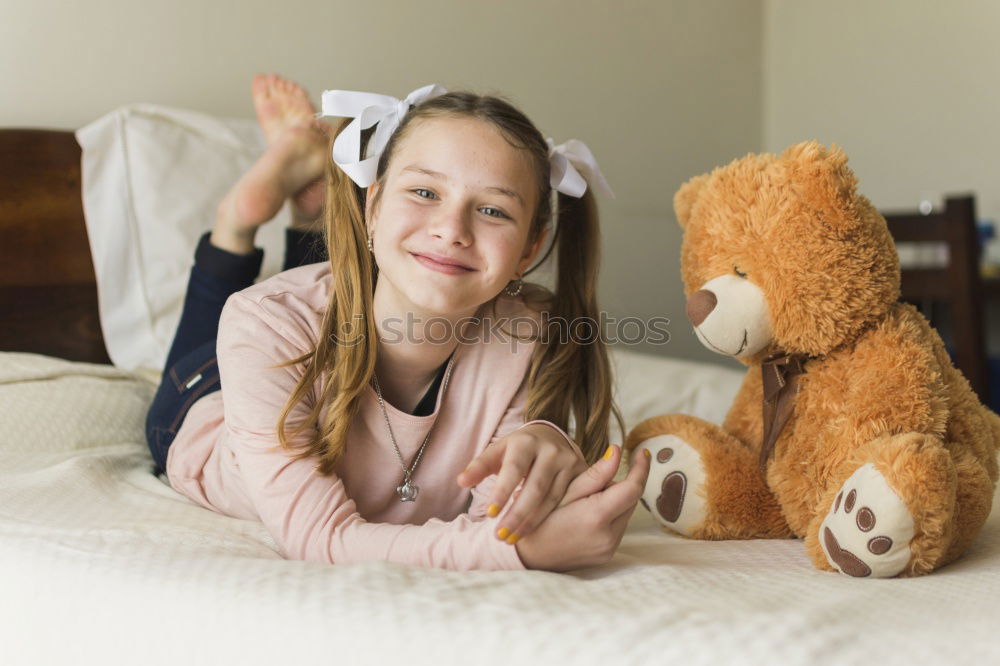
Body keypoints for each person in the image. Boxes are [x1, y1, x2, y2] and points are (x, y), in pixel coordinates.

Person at [144, 73, 651, 572]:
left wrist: (543, 443)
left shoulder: (531, 333)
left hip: (324, 319)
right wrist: (522, 552)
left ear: (530, 250)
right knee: (260, 314)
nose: (452, 231)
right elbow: (320, 537)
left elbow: (492, 521)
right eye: (425, 193)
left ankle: (307, 208)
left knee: (326, 291)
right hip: (203, 399)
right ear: (374, 203)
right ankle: (236, 220)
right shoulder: (265, 323)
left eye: (493, 210)